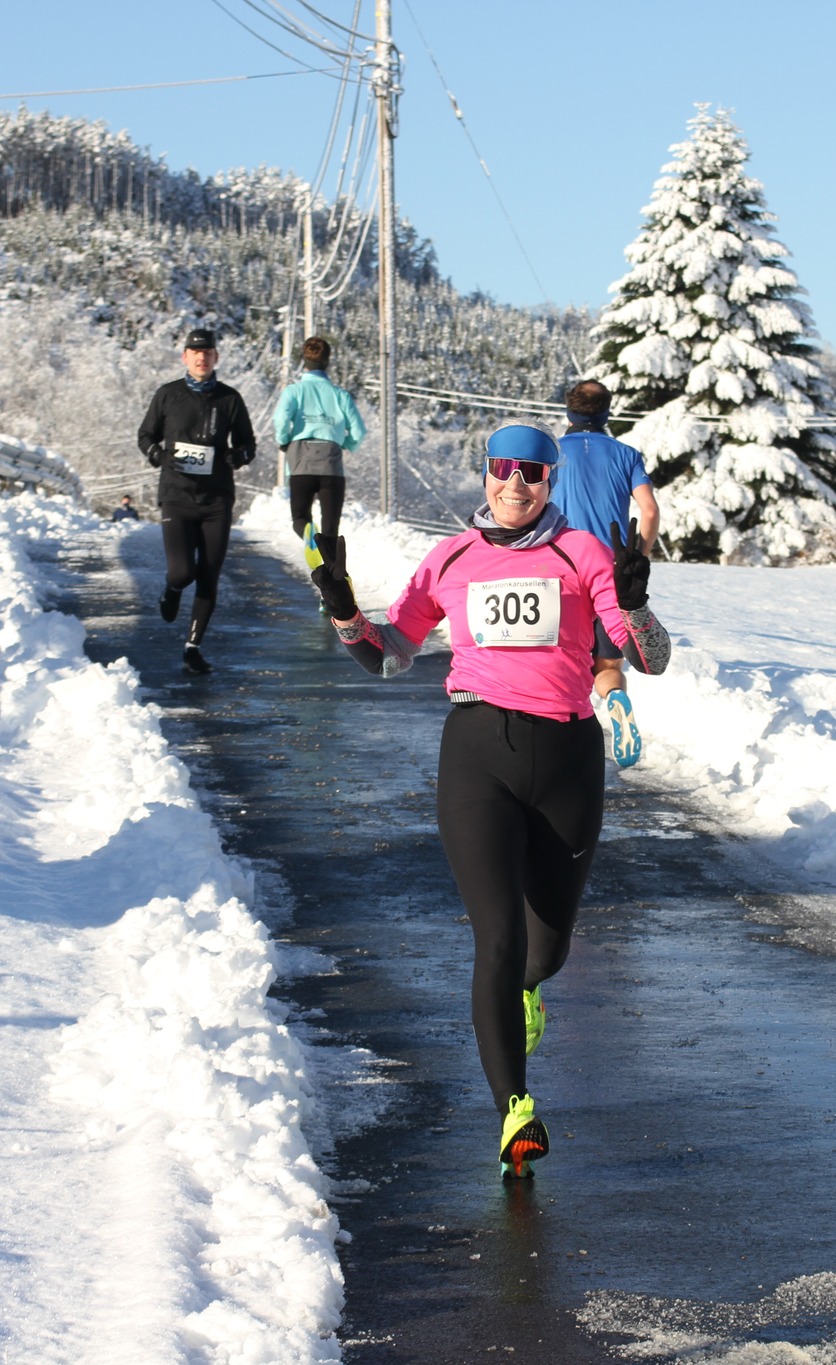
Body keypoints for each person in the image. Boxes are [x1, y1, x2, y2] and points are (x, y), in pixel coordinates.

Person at [310, 424, 672, 1179]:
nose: (516, 483)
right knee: (498, 938)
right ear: (485, 474)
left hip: (568, 758)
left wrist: (636, 604)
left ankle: (530, 990)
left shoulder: (582, 552)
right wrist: (344, 610)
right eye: (504, 468)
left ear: (550, 480)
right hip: (477, 755)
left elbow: (649, 657)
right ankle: (515, 1109)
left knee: (547, 948)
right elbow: (390, 656)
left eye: (533, 472)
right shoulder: (450, 558)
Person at [548, 379, 660, 768]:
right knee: (608, 666)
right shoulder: (626, 454)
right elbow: (649, 510)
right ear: (607, 412)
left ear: (569, 411)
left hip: (560, 570)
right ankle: (615, 697)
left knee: (558, 659)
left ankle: (559, 739)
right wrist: (637, 557)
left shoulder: (552, 453)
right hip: (611, 573)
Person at [137, 327, 256, 674]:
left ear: (216, 357)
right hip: (176, 496)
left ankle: (193, 647)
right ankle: (172, 589)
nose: (201, 358)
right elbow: (145, 435)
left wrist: (238, 456)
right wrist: (158, 455)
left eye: (207, 352)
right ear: (185, 357)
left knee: (209, 574)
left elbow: (248, 443)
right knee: (182, 571)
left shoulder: (230, 399)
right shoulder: (168, 394)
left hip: (217, 500)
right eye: (195, 352)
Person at [272, 335, 367, 551]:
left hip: (300, 459)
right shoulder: (340, 395)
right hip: (330, 461)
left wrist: (284, 441)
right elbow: (359, 431)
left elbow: (280, 419)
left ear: (304, 361)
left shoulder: (294, 391)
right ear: (327, 361)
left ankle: (309, 534)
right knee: (331, 527)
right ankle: (331, 566)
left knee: (300, 517)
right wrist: (347, 444)